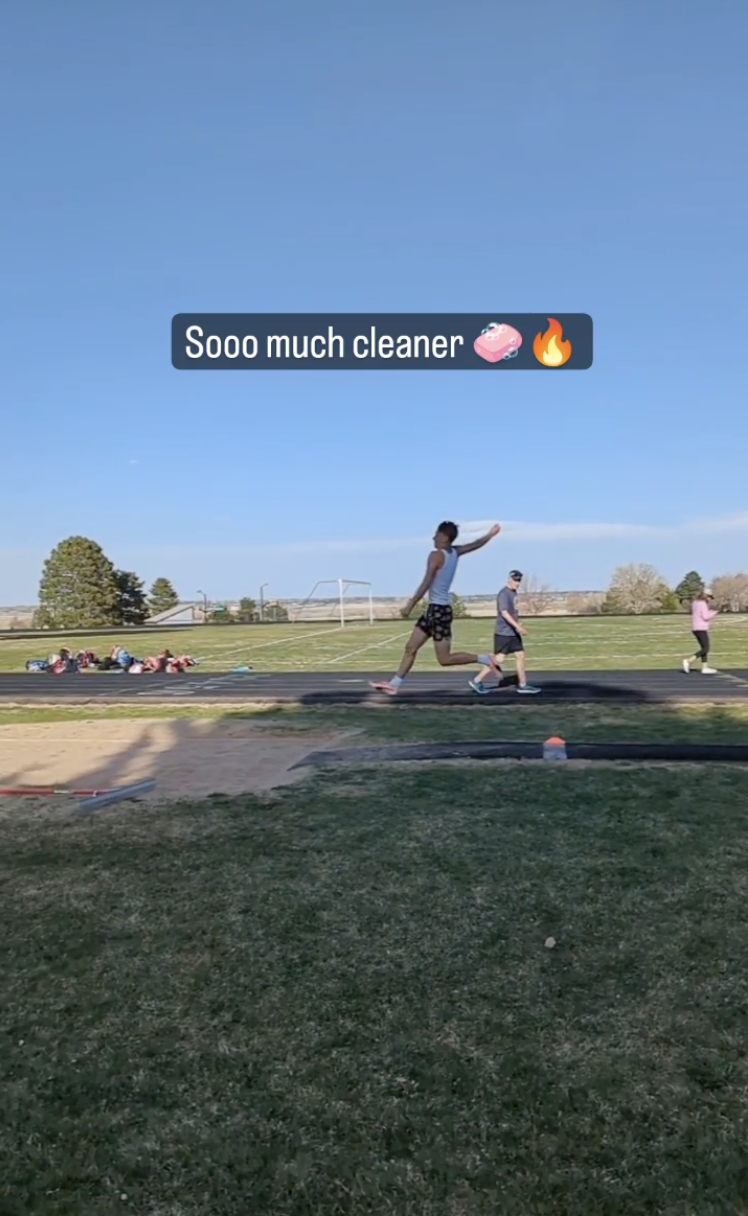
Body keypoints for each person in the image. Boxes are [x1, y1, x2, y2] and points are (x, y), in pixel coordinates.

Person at [369, 521, 502, 696]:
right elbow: (476, 544)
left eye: (436, 534)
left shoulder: (436, 556)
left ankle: (485, 659)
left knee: (444, 659)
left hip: (440, 613)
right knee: (410, 648)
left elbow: (426, 583)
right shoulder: (455, 552)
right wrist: (490, 534)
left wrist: (410, 605)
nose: (433, 537)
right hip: (433, 611)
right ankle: (394, 684)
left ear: (445, 538)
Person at [469, 570, 541, 695]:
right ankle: (477, 680)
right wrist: (517, 626)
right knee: (498, 660)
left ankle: (523, 685)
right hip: (504, 633)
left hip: (512, 632)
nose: (517, 583)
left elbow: (512, 612)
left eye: (519, 581)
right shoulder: (504, 594)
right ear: (509, 580)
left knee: (520, 655)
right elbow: (504, 613)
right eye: (515, 580)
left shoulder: (513, 593)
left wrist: (517, 625)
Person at [683, 587, 719, 674]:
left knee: (703, 648)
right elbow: (705, 617)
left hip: (695, 628)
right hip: (701, 628)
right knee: (706, 648)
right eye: (709, 597)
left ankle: (704, 667)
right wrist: (714, 612)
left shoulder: (695, 603)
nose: (710, 599)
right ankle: (689, 661)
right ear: (706, 596)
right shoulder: (702, 604)